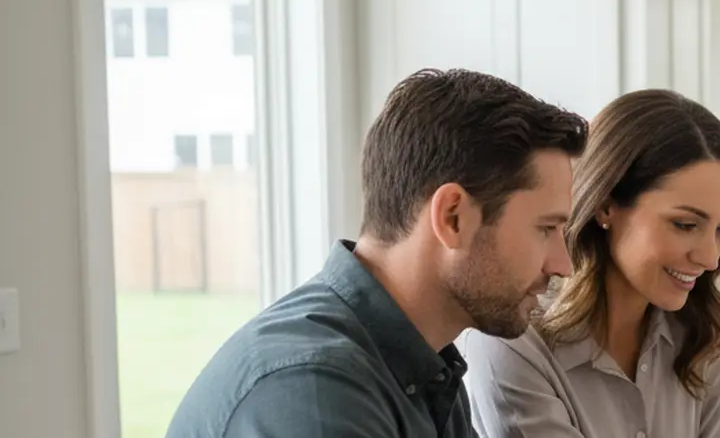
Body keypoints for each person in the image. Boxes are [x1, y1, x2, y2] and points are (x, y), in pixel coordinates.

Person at [165, 69, 587, 437]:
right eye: (545, 229)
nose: (563, 265)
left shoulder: (427, 367)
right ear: (453, 217)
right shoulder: (314, 390)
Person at [466, 89, 720, 438]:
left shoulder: (705, 322)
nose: (710, 258)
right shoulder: (514, 337)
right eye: (685, 225)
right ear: (605, 205)